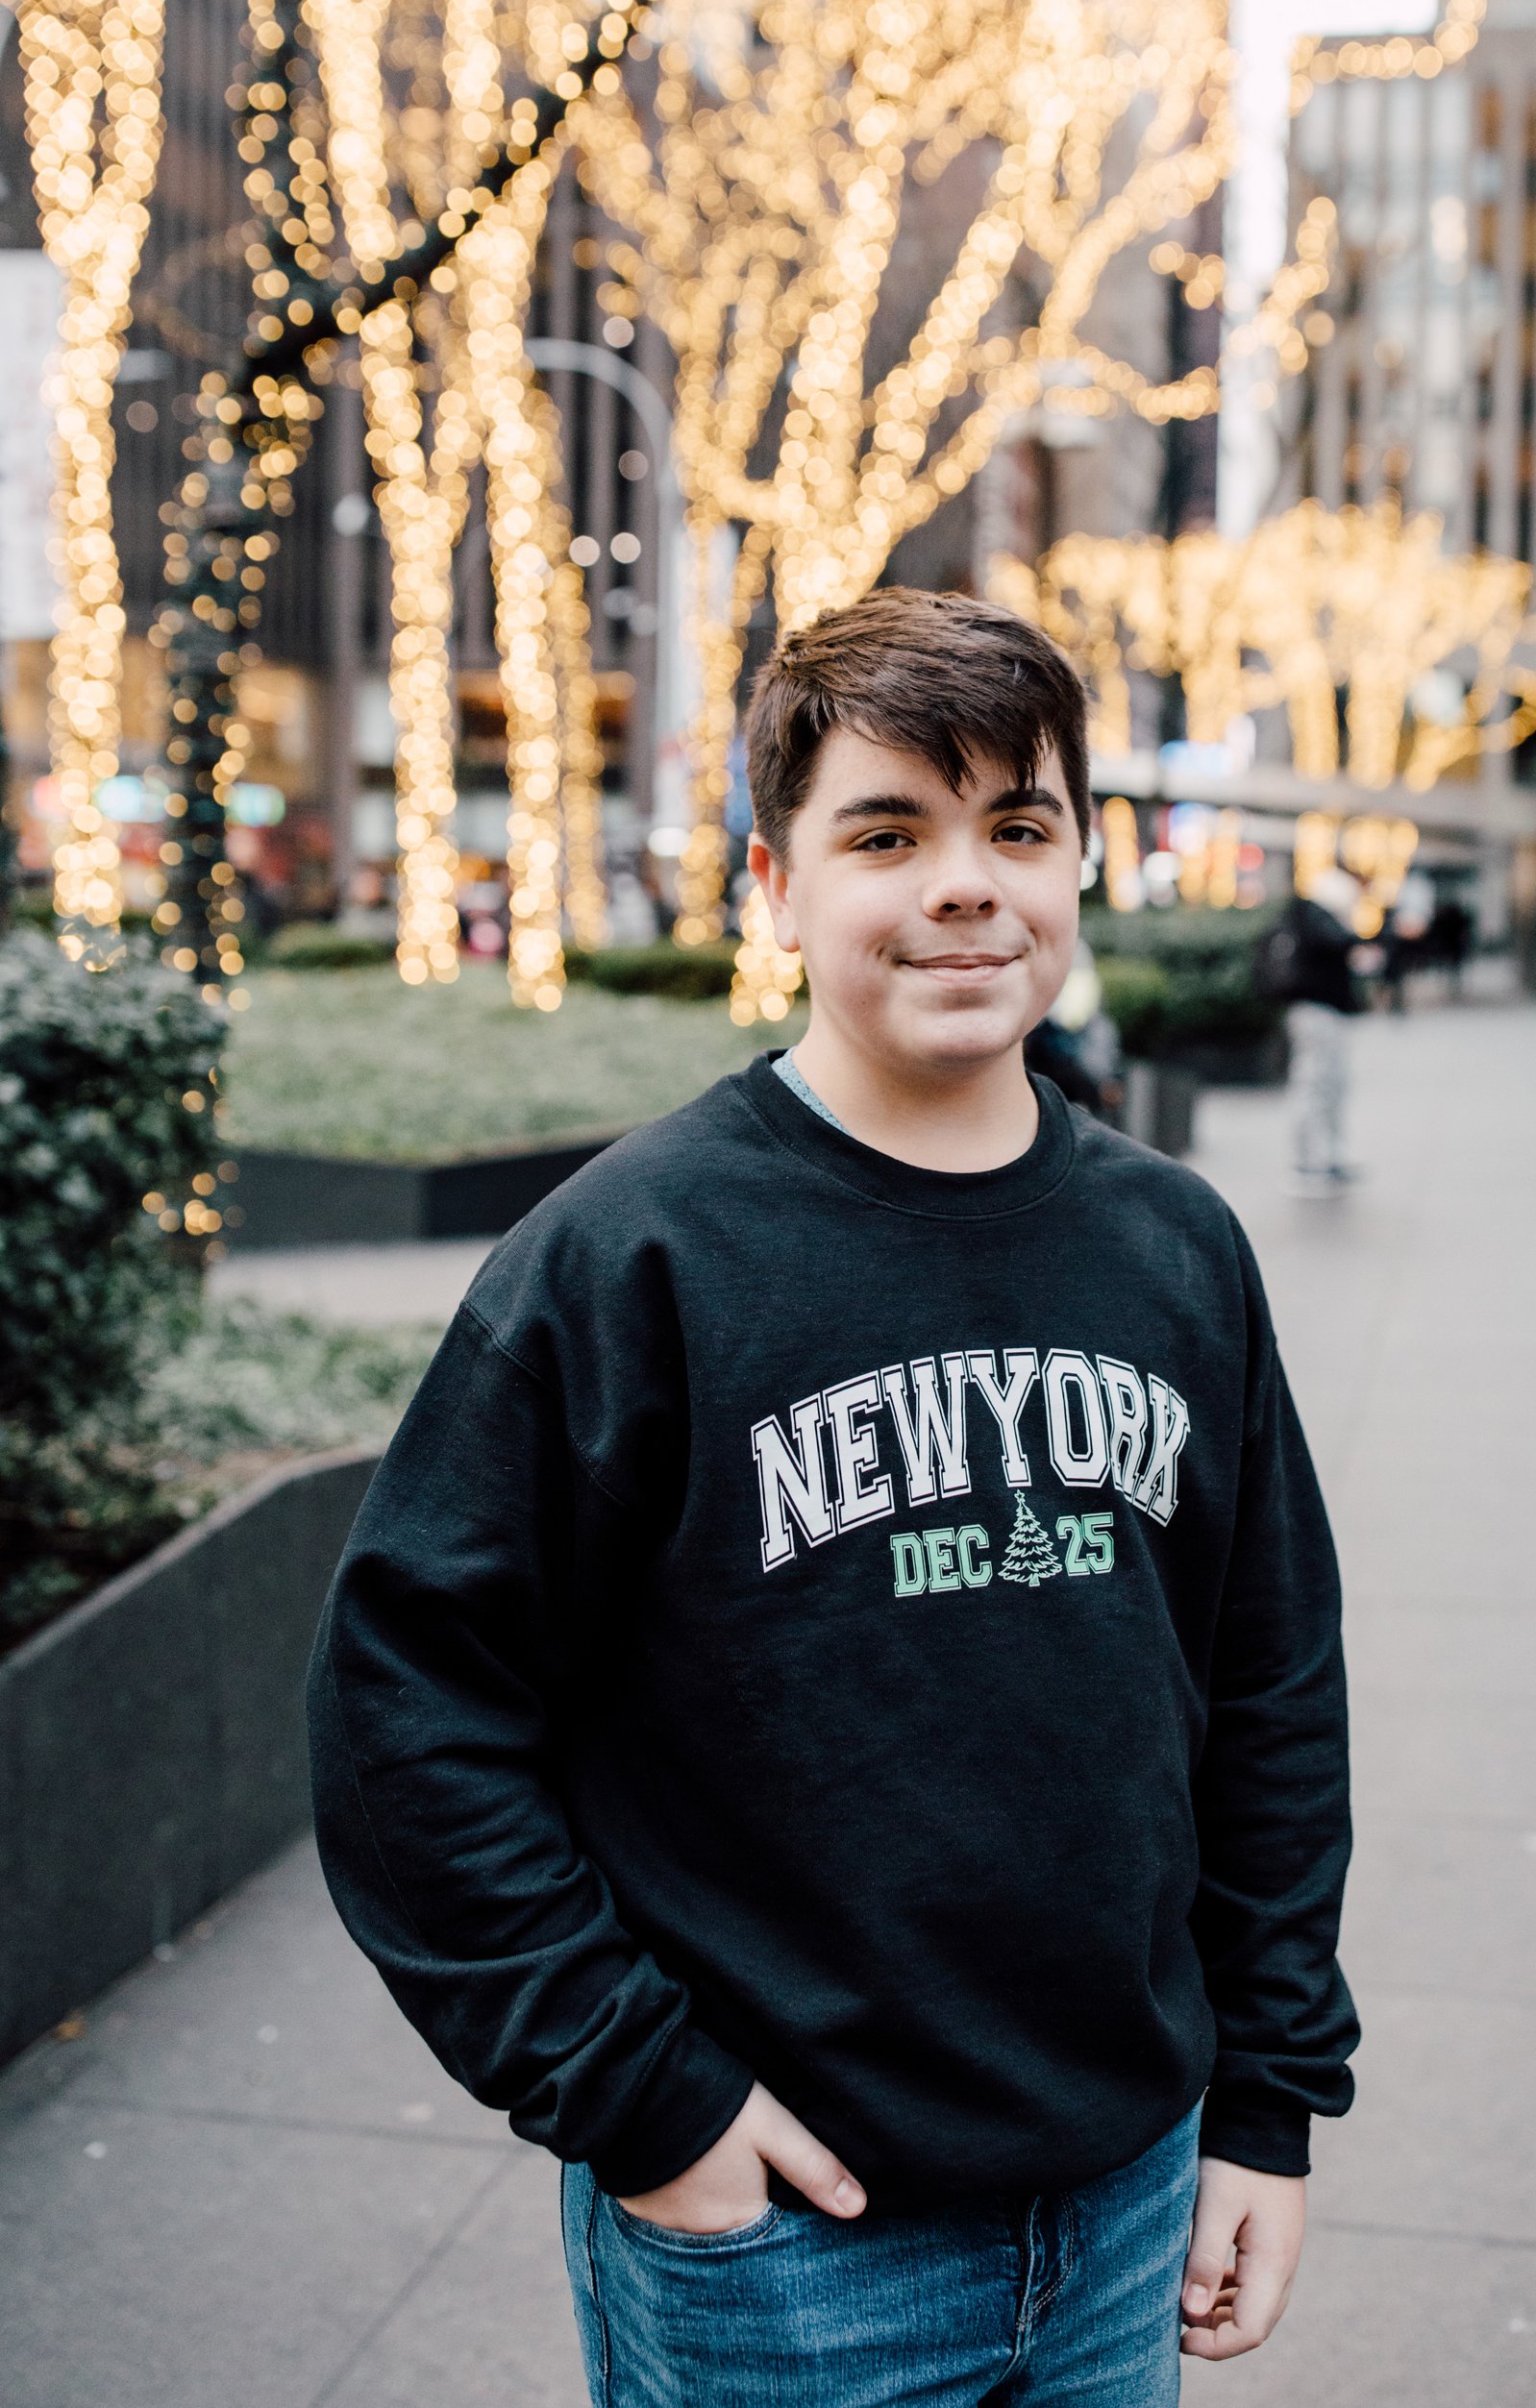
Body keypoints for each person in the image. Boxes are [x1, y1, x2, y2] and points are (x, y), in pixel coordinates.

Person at [307, 588, 1356, 2407]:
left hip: (1130, 2199)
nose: (965, 884)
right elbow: (403, 1708)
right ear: (775, 887)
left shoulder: (1176, 1246)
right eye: (887, 833)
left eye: (1016, 825)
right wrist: (643, 2097)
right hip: (786, 2245)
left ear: (1078, 864)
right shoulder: (630, 1257)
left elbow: (1271, 1692)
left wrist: (1266, 2096)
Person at [1259, 869, 1364, 1196]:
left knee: (1328, 1084)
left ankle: (1326, 1158)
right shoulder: (1314, 915)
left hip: (1318, 1013)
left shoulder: (1305, 915)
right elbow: (1339, 942)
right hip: (1316, 1013)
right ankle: (1309, 1164)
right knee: (1315, 1083)